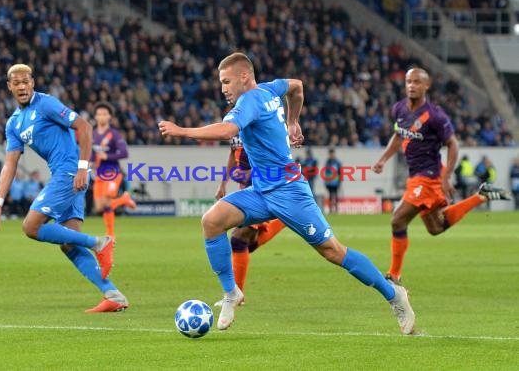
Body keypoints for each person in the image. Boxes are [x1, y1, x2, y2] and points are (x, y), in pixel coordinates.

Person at [159, 52, 416, 335]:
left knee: (333, 251)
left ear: (244, 76)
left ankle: (394, 295)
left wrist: (181, 130)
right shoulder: (271, 88)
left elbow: (228, 130)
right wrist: (293, 120)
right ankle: (232, 292)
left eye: (226, 81)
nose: (223, 88)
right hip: (261, 189)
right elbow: (297, 86)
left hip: (289, 191)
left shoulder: (250, 100)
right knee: (211, 221)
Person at [0, 64, 128, 313]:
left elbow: (84, 127)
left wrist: (83, 167)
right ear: (9, 87)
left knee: (30, 226)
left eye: (25, 81)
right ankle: (113, 295)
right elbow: (10, 163)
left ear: (33, 82)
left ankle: (99, 243)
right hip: (66, 176)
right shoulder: (14, 124)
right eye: (16, 83)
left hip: (70, 173)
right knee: (69, 243)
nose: (22, 86)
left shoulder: (46, 104)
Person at [372, 67, 511, 284]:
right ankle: (481, 196)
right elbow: (398, 136)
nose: (412, 85)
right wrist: (383, 159)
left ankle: (394, 275)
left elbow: (453, 144)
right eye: (409, 81)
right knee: (436, 228)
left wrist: (446, 177)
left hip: (428, 176)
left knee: (398, 220)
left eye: (417, 82)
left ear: (426, 86)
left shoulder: (435, 116)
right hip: (416, 175)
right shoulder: (399, 109)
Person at [214, 134, 286, 306]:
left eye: (231, 103)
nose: (228, 104)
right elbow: (233, 153)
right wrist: (223, 183)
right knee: (245, 244)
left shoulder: (256, 118)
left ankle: (236, 296)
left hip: (264, 189)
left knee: (238, 240)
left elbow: (273, 160)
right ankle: (281, 221)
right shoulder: (233, 123)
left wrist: (248, 173)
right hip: (247, 189)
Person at [91, 101, 137, 238]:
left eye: (105, 114)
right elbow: (92, 153)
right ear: (95, 117)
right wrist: (91, 162)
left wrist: (107, 156)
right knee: (99, 208)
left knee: (106, 202)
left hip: (112, 172)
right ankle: (124, 199)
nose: (102, 117)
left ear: (110, 117)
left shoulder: (114, 134)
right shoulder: (92, 134)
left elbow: (124, 153)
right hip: (99, 173)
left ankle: (110, 234)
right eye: (99, 114)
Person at [324, 148, 342, 214]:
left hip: (336, 182)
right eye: (330, 153)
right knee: (330, 196)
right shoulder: (328, 162)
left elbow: (340, 173)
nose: (331, 155)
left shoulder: (337, 162)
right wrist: (325, 182)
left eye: (332, 153)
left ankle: (336, 209)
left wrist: (340, 181)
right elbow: (326, 173)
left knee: (336, 196)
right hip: (329, 183)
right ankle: (331, 209)